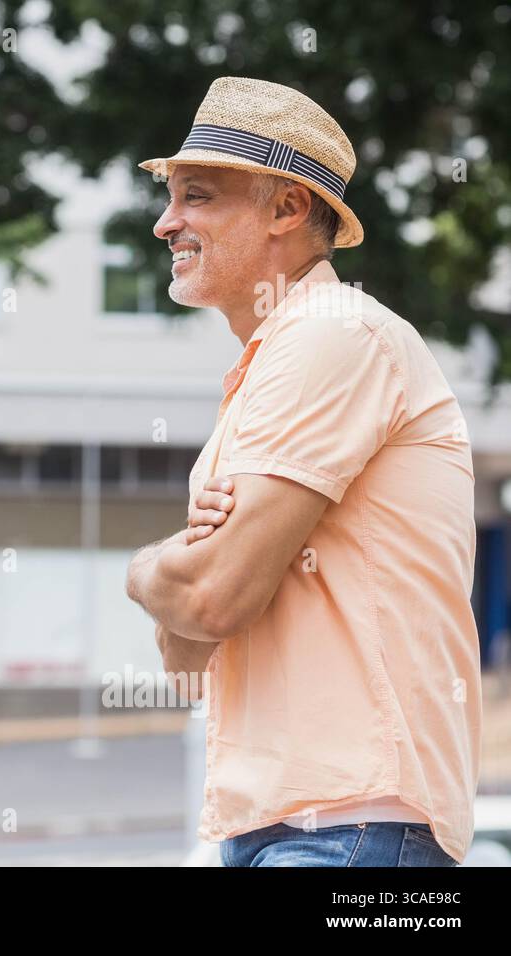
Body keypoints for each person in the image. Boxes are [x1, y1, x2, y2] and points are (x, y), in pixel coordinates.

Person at [124, 76, 481, 867]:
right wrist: (187, 586)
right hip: (278, 828)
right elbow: (184, 659)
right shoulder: (264, 376)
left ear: (288, 209)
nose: (165, 222)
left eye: (199, 196)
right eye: (173, 197)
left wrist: (145, 566)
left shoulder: (333, 333)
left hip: (352, 825)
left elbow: (209, 600)